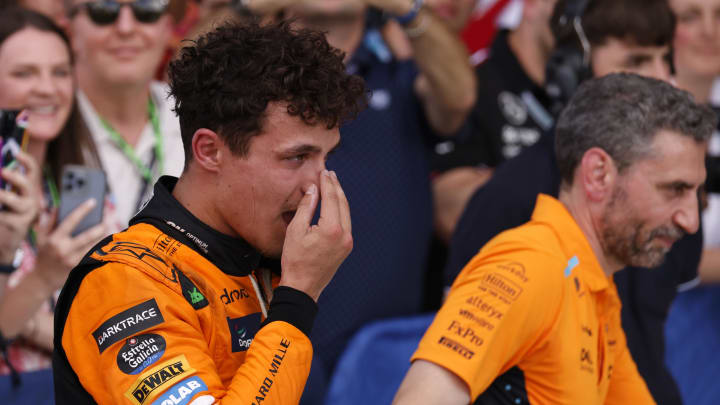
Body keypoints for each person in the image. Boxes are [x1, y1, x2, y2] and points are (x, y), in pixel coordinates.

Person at [52, 20, 364, 404]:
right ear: (209, 151)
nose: (316, 185)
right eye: (296, 157)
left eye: (326, 157)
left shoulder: (264, 259)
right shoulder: (124, 285)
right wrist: (296, 299)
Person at [393, 73, 717, 405]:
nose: (690, 221)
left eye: (696, 193)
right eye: (674, 189)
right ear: (598, 174)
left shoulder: (593, 284)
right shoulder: (529, 266)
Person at [443, 1, 692, 402]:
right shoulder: (509, 198)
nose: (663, 79)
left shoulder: (678, 195)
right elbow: (456, 373)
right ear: (573, 72)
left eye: (667, 60)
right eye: (638, 61)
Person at [234, 1, 476, 401]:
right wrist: (248, 7)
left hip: (385, 362)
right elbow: (191, 82)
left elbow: (459, 98)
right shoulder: (250, 78)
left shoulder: (398, 74)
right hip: (266, 342)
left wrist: (408, 8)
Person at [0, 6, 108, 383]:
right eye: (24, 73)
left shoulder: (83, 183)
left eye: (60, 72)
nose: (47, 88)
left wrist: (25, 319)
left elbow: (113, 323)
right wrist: (43, 277)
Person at [65, 0, 185, 228]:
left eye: (146, 10)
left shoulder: (201, 117)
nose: (126, 28)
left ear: (167, 28)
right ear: (70, 31)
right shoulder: (41, 125)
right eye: (103, 10)